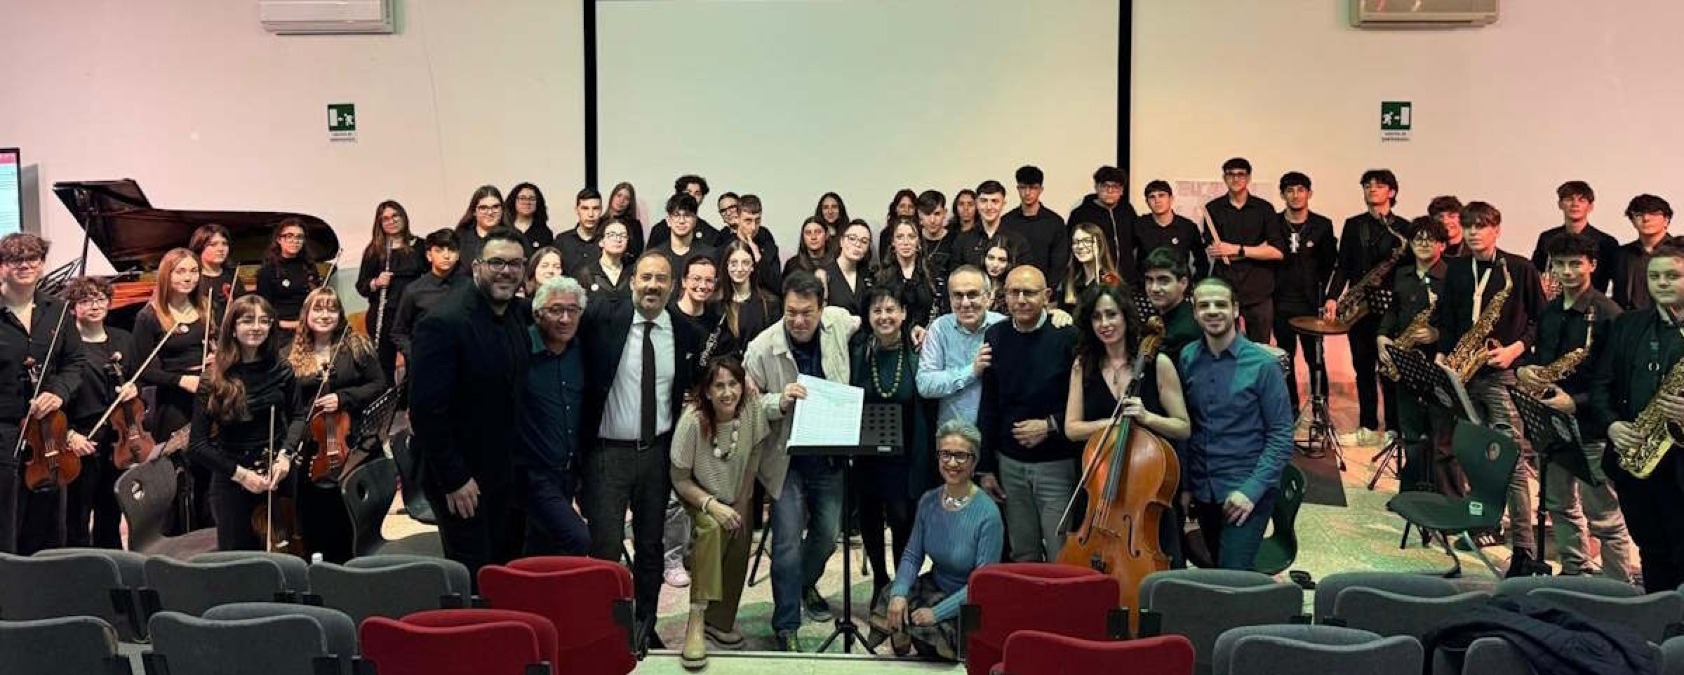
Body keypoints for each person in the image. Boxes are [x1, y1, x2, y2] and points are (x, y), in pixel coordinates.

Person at [578, 252, 704, 648]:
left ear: (673, 285)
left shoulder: (684, 332)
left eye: (661, 279)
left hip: (656, 455)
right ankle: (603, 630)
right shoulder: (601, 320)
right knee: (605, 547)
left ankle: (645, 626)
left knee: (651, 546)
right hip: (606, 455)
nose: (652, 285)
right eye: (646, 277)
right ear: (632, 281)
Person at [741, 270, 859, 651]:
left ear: (822, 308)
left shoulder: (838, 322)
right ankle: (786, 622)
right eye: (791, 312)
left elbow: (866, 319)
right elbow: (746, 406)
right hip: (785, 459)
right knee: (787, 542)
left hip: (828, 452)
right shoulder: (762, 347)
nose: (799, 320)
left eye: (807, 313)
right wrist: (778, 401)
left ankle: (805, 583)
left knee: (827, 534)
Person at [409, 227, 532, 578]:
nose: (506, 271)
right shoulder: (442, 323)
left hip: (503, 468)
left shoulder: (513, 313)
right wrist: (455, 478)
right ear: (476, 267)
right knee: (476, 574)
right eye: (497, 263)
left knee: (505, 566)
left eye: (515, 264)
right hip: (463, 478)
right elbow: (426, 411)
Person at [1516, 232, 1637, 582]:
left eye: (1575, 264)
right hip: (1553, 423)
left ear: (1592, 265)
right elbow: (1539, 357)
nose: (1567, 272)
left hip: (1591, 428)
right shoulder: (1550, 311)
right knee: (1559, 505)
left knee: (1605, 517)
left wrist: (1577, 402)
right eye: (1560, 265)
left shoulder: (1609, 314)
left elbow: (1619, 382)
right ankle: (1575, 573)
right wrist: (1525, 368)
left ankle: (1618, 587)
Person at [1431, 202, 1545, 561]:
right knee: (1474, 455)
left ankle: (1524, 546)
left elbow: (1541, 321)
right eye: (1468, 226)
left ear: (1497, 229)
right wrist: (1443, 353)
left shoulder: (1520, 268)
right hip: (1464, 374)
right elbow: (1446, 317)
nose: (1473, 233)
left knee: (1510, 459)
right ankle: (1483, 525)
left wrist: (1515, 349)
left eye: (1481, 226)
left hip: (1501, 374)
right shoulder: (1457, 268)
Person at [1064, 281, 1192, 566]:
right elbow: (1072, 429)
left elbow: (1183, 426)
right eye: (1096, 317)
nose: (1105, 323)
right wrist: (1112, 423)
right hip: (1099, 490)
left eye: (1111, 314)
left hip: (1145, 495)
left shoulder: (1158, 363)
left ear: (1126, 316)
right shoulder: (1083, 366)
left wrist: (1147, 418)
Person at [671, 357, 780, 667]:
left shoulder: (750, 409)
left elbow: (755, 451)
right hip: (697, 495)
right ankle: (696, 618)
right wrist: (712, 505)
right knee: (712, 529)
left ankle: (718, 622)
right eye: (719, 386)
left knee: (739, 533)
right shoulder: (693, 421)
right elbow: (679, 478)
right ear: (707, 391)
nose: (727, 392)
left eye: (733, 384)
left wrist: (743, 499)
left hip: (735, 491)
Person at [1179, 278, 1294, 569]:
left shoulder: (1263, 365)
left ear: (1235, 310)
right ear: (1195, 312)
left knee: (1233, 576)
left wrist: (1251, 491)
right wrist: (1187, 485)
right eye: (1204, 305)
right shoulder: (1188, 357)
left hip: (1244, 487)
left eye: (1220, 304)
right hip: (1204, 487)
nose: (1212, 311)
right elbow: (1190, 427)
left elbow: (1281, 436)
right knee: (1217, 567)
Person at [1592, 242, 1684, 593]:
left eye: (1672, 276)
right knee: (1651, 551)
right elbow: (1601, 386)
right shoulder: (1628, 324)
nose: (1662, 283)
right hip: (1637, 461)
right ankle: (1657, 613)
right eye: (1655, 276)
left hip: (1679, 465)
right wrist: (1612, 425)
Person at [869, 420, 1002, 661]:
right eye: (945, 454)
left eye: (961, 456)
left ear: (974, 461)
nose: (952, 462)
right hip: (936, 585)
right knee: (891, 595)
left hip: (969, 599)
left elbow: (983, 585)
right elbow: (912, 555)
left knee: (930, 635)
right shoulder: (929, 500)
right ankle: (905, 632)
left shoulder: (988, 514)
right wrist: (899, 593)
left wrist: (937, 613)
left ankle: (912, 635)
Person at [977, 265, 1079, 562]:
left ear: (1046, 296)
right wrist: (985, 467)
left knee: (1062, 553)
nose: (1021, 299)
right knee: (1023, 552)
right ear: (1004, 296)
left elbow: (1087, 400)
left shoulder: (1067, 336)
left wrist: (1049, 425)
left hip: (1056, 463)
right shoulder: (995, 335)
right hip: (1010, 465)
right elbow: (989, 403)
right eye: (1014, 292)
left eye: (1029, 292)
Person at [188, 295, 303, 551]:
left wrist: (285, 456)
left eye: (264, 321)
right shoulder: (212, 379)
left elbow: (298, 416)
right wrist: (242, 476)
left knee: (285, 551)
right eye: (248, 320)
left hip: (277, 473)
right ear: (233, 328)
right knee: (239, 557)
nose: (256, 327)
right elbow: (197, 445)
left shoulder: (282, 369)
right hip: (232, 478)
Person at [286, 287, 386, 562]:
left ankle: (353, 562)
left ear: (340, 315)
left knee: (349, 511)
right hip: (312, 444)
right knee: (315, 513)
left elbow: (379, 384)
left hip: (351, 439)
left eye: (331, 309)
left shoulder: (356, 345)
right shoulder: (291, 353)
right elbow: (288, 402)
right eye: (318, 309)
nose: (325, 315)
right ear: (306, 314)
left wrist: (343, 398)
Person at [0, 233, 86, 553]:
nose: (25, 265)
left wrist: (58, 393)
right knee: (6, 515)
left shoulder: (58, 310)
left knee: (48, 514)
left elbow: (74, 361)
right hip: (4, 428)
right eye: (15, 259)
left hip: (48, 428)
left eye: (32, 259)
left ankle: (45, 574)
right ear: (2, 266)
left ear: (42, 264)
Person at [852, 286, 934, 602]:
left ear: (903, 313)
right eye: (877, 310)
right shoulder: (858, 350)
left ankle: (902, 584)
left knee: (902, 519)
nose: (884, 317)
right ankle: (879, 580)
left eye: (890, 309)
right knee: (869, 517)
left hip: (906, 454)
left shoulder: (918, 351)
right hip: (867, 454)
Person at [1376, 218, 1461, 497]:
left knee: (1442, 437)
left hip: (1437, 362)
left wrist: (1437, 334)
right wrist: (1382, 336)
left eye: (1430, 239)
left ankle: (1444, 496)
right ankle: (1411, 493)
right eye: (1417, 239)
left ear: (1442, 245)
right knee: (1411, 431)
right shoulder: (1402, 274)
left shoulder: (1453, 276)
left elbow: (1460, 320)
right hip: (1406, 360)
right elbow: (1392, 311)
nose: (1423, 244)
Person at [1322, 170, 1408, 445]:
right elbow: (1343, 265)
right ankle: (1367, 425)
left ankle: (1394, 427)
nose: (1372, 189)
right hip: (1359, 308)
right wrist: (1332, 296)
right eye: (1367, 185)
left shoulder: (1404, 229)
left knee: (1390, 370)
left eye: (1379, 185)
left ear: (1391, 192)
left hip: (1391, 309)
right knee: (1362, 367)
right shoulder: (1353, 225)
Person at [133, 247, 214, 529]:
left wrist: (215, 357)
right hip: (174, 402)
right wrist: (181, 380)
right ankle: (177, 535)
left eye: (194, 271)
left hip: (206, 394)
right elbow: (142, 370)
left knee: (208, 469)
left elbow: (213, 345)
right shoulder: (149, 316)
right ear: (167, 275)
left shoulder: (204, 307)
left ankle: (209, 532)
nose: (188, 277)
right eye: (180, 271)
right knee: (179, 473)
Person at [518, 275, 591, 557]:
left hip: (570, 470)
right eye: (555, 310)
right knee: (577, 538)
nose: (565, 319)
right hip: (531, 473)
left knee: (541, 544)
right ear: (538, 314)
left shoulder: (582, 351)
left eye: (572, 310)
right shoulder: (520, 349)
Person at [60, 276, 133, 549]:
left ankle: (112, 563)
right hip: (81, 436)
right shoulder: (64, 346)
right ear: (72, 307)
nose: (95, 305)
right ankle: (80, 566)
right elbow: (54, 395)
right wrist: (69, 435)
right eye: (86, 300)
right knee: (78, 513)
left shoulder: (123, 339)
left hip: (118, 437)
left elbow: (141, 376)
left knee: (111, 510)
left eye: (101, 299)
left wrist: (134, 388)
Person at [1271, 172, 1337, 418]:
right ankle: (1291, 408)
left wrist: (1327, 295)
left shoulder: (1322, 225)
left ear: (1309, 193)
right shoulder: (1273, 223)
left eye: (1300, 190)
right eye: (1290, 190)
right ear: (1282, 195)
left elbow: (1330, 264)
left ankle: (1321, 410)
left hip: (1311, 303)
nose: (1295, 195)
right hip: (1280, 302)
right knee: (1285, 359)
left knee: (1316, 359)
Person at [1202, 158, 1285, 344]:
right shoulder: (1212, 209)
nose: (1235, 178)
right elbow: (1216, 252)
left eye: (1240, 174)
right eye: (1230, 174)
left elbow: (1277, 252)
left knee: (1260, 348)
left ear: (1248, 178)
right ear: (1224, 178)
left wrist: (1237, 250)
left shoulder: (1264, 209)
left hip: (1259, 291)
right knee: (1225, 346)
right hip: (1225, 290)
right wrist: (1259, 250)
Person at [919, 266, 1008, 427]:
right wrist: (971, 371)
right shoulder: (940, 328)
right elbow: (925, 384)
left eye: (972, 294)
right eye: (958, 295)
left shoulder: (1003, 327)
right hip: (954, 432)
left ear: (988, 297)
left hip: (998, 430)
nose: (965, 303)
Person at [355, 200, 424, 385]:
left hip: (414, 313)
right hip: (383, 313)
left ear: (403, 217)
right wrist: (376, 282)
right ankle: (387, 400)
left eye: (395, 216)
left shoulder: (420, 246)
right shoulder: (374, 251)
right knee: (384, 365)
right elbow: (361, 286)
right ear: (380, 223)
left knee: (416, 361)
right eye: (385, 219)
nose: (391, 221)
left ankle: (410, 399)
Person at [1528, 181, 1619, 297]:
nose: (1575, 204)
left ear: (1590, 207)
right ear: (1560, 204)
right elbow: (1535, 273)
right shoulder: (1547, 238)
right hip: (1554, 304)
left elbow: (1617, 282)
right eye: (1569, 199)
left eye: (1582, 200)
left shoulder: (1607, 243)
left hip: (1592, 304)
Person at [390, 229, 464, 364]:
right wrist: (415, 356)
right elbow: (398, 333)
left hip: (463, 363)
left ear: (458, 255)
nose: (446, 256)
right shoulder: (414, 290)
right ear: (429, 256)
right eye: (439, 250)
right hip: (426, 362)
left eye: (451, 250)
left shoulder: (469, 287)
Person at [716, 240, 783, 363]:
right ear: (726, 265)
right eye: (734, 263)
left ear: (752, 266)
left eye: (745, 263)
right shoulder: (715, 304)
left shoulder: (770, 303)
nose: (739, 269)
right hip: (727, 372)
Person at [1131, 180, 1208, 285]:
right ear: (1147, 202)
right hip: (1147, 287)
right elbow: (1127, 256)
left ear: (1171, 199)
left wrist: (1196, 284)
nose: (1157, 201)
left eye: (1161, 195)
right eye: (1152, 197)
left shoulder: (1187, 227)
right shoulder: (1139, 225)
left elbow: (1202, 261)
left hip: (1179, 287)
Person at [1068, 166, 1138, 280]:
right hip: (1095, 279)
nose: (1110, 191)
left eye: (1115, 186)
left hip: (1127, 278)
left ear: (1121, 190)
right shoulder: (1081, 214)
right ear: (1096, 187)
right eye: (1105, 186)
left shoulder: (1127, 210)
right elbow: (1072, 245)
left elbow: (1135, 241)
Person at [1001, 166, 1069, 283]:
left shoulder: (1055, 222)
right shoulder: (1006, 221)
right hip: (1013, 286)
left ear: (1041, 190)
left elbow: (1059, 263)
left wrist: (1049, 288)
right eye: (1023, 187)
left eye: (1033, 188)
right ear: (1018, 188)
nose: (1027, 193)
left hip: (1045, 288)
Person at [1611, 194, 1678, 311]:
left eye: (1653, 214)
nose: (1646, 218)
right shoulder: (1621, 254)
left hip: (1672, 319)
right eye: (1639, 214)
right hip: (1631, 319)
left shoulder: (1680, 251)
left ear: (1666, 220)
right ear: (1632, 221)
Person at [254, 219, 320, 332]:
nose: (295, 241)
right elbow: (263, 310)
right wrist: (293, 325)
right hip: (281, 329)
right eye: (289, 236)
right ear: (279, 239)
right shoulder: (268, 271)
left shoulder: (309, 267)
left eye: (299, 237)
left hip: (309, 325)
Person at [712, 194, 781, 296]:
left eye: (757, 221)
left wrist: (759, 260)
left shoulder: (769, 248)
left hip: (763, 302)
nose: (753, 227)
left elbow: (778, 286)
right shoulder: (723, 251)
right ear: (737, 218)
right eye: (748, 221)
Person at [876, 219, 939, 329]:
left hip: (926, 333)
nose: (906, 242)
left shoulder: (931, 273)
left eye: (911, 237)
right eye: (900, 237)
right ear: (893, 242)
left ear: (918, 242)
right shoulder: (880, 276)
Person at [956, 181, 1030, 270]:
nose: (989, 207)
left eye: (995, 201)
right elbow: (955, 276)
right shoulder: (962, 240)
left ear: (1003, 204)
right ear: (977, 203)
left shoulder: (1018, 241)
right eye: (983, 201)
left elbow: (1025, 276)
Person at [1141, 247, 1200, 358]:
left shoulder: (1186, 332)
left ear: (1183, 283)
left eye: (1164, 281)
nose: (1154, 288)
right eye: (1149, 280)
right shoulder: (1155, 320)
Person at [648, 194, 715, 278]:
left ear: (695, 220)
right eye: (676, 215)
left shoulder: (710, 254)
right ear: (668, 220)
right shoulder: (656, 255)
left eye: (687, 215)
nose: (682, 221)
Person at [1058, 223, 1121, 311]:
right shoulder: (1069, 281)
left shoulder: (1111, 280)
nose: (1080, 246)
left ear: (1099, 244)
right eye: (1076, 242)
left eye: (1087, 241)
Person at [649, 175, 720, 250]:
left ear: (702, 198)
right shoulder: (660, 230)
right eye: (688, 192)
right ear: (678, 194)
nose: (692, 196)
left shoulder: (710, 233)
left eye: (697, 194)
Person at [191, 223, 241, 327]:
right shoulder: (193, 278)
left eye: (225, 244)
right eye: (213, 244)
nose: (221, 249)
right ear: (199, 247)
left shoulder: (232, 276)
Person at [822, 220, 875, 317]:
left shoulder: (870, 276)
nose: (858, 244)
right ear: (841, 241)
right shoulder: (824, 274)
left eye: (864, 241)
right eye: (852, 238)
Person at [574, 219, 634, 301]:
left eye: (623, 236)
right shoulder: (586, 274)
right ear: (601, 241)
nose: (618, 239)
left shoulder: (633, 272)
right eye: (612, 235)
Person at [452, 185, 506, 276]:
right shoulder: (460, 237)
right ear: (474, 211)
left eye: (495, 207)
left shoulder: (515, 237)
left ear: (502, 209)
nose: (490, 212)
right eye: (483, 208)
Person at [557, 189, 606, 274]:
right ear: (576, 210)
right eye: (585, 208)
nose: (590, 214)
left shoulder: (607, 240)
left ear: (601, 210)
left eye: (595, 208)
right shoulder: (562, 241)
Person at [915, 190, 957, 289]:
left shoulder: (956, 239)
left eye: (937, 214)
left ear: (945, 213)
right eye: (927, 214)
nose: (932, 220)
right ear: (919, 214)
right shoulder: (913, 238)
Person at [506, 182, 556, 253]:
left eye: (532, 199)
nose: (527, 202)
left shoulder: (545, 233)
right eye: (522, 198)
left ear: (538, 202)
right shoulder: (504, 227)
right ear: (514, 201)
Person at [606, 181, 646, 256]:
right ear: (612, 196)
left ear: (630, 203)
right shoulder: (600, 221)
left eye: (626, 198)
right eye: (619, 196)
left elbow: (637, 252)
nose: (621, 200)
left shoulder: (635, 225)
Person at [878, 189, 919, 254]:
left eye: (911, 207)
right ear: (895, 209)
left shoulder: (922, 232)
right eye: (902, 206)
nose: (906, 210)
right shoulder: (886, 234)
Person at [982, 244, 1015, 314]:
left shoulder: (1012, 289)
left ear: (1008, 263)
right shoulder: (974, 283)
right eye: (991, 258)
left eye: (1002, 260)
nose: (995, 265)